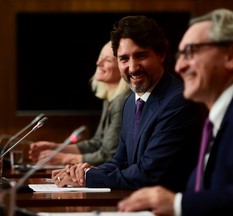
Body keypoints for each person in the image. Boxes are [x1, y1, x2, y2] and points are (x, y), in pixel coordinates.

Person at [117, 8, 233, 215]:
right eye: (180, 56)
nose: (179, 66)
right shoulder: (230, 110)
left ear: (231, 55)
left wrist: (178, 204)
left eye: (190, 52)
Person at [51, 15, 208, 192]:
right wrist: (80, 173)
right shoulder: (130, 102)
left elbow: (149, 174)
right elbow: (120, 161)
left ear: (161, 55)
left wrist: (88, 177)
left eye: (140, 56)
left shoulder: (179, 101)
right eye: (124, 59)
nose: (132, 67)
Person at [28, 41, 131, 166]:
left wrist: (64, 158)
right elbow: (97, 143)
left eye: (108, 60)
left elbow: (108, 156)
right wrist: (57, 148)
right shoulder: (109, 99)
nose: (98, 63)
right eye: (100, 58)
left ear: (122, 67)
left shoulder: (122, 102)